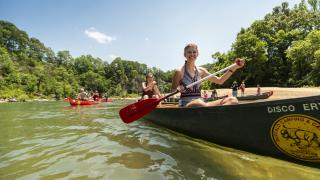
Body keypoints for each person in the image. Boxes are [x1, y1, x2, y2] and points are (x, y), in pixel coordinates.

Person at [171, 43, 245, 107]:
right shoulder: (179, 71)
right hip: (186, 105)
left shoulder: (201, 71)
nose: (192, 54)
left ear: (197, 53)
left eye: (194, 52)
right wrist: (177, 90)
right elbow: (172, 94)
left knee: (232, 100)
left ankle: (217, 116)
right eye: (189, 52)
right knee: (198, 103)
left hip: (202, 104)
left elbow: (220, 81)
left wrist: (235, 67)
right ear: (185, 54)